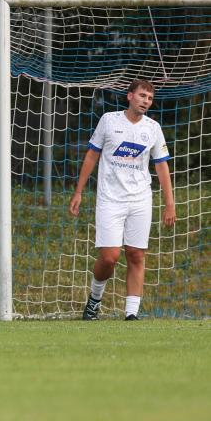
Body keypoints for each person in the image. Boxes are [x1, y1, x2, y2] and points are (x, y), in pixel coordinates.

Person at [69, 79, 175, 320]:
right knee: (110, 257)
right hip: (110, 199)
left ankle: (131, 315)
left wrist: (169, 203)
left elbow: (161, 167)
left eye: (149, 98)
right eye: (141, 96)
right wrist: (78, 192)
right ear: (129, 96)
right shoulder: (109, 120)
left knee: (136, 254)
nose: (145, 101)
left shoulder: (153, 128)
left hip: (140, 200)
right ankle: (94, 301)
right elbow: (91, 156)